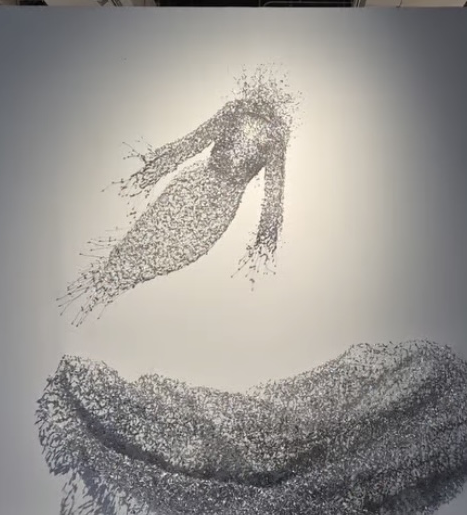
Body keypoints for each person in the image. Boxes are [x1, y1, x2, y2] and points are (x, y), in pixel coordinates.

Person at [61, 70, 296, 325]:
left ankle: (92, 294)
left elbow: (272, 192)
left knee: (147, 255)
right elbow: (193, 144)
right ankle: (94, 292)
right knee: (142, 245)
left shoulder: (263, 127)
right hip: (199, 191)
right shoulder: (246, 117)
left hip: (212, 201)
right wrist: (264, 243)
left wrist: (265, 241)